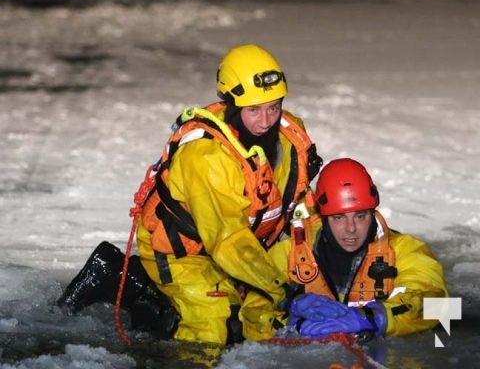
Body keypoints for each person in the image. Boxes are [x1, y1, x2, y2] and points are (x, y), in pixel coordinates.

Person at [57, 43, 323, 345]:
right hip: (184, 251)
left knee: (255, 321)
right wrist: (283, 290)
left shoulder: (291, 136)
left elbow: (301, 201)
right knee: (212, 328)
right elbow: (229, 241)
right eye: (253, 110)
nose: (266, 121)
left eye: (274, 107)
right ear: (232, 105)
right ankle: (135, 288)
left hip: (252, 242)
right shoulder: (207, 157)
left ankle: (145, 285)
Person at [241, 158, 448, 341]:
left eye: (360, 216)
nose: (351, 229)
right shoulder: (289, 252)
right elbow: (251, 313)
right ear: (323, 216)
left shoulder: (407, 250)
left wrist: (376, 317)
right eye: (339, 218)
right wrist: (291, 323)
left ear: (372, 212)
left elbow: (439, 306)